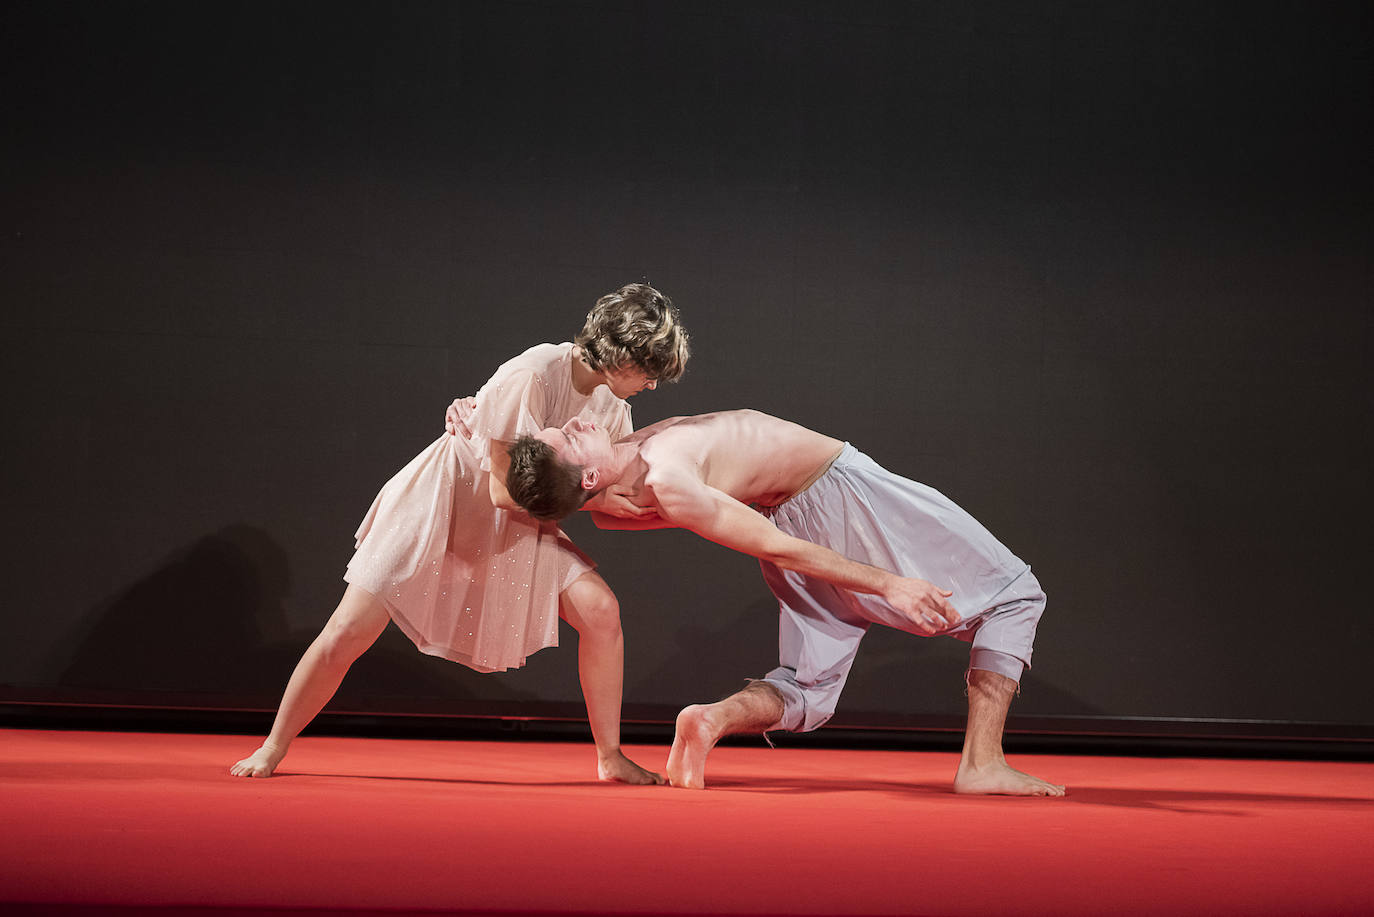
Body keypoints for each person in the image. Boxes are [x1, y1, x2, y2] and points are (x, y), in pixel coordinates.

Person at [231, 284, 689, 784]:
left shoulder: (613, 411)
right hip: (446, 503)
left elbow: (602, 496)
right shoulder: (534, 373)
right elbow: (502, 492)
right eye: (648, 371)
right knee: (348, 631)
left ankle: (609, 756)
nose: (650, 385)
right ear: (621, 357)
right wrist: (597, 496)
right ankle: (273, 746)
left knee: (601, 612)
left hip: (521, 522)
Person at [505, 411, 1064, 796]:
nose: (577, 422)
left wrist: (471, 425)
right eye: (571, 438)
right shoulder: (669, 479)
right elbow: (783, 549)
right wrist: (889, 583)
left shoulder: (622, 478)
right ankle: (981, 762)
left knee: (810, 688)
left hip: (795, 513)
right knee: (1013, 595)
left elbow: (563, 496)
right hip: (835, 501)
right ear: (593, 474)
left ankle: (710, 719)